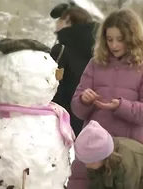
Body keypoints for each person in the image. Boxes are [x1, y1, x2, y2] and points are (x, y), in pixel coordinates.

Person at [67, 8, 143, 189]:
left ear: (132, 37)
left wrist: (121, 106)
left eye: (120, 39)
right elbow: (77, 109)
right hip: (91, 150)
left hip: (124, 155)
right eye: (109, 39)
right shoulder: (95, 64)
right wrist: (84, 100)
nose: (114, 45)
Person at [49, 2, 98, 137]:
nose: (56, 24)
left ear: (68, 21)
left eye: (60, 20)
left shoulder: (62, 49)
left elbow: (50, 82)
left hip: (61, 119)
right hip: (89, 116)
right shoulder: (98, 50)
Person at [74, 120, 143, 189]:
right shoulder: (97, 161)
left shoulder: (125, 163)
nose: (87, 165)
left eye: (90, 161)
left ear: (102, 156)